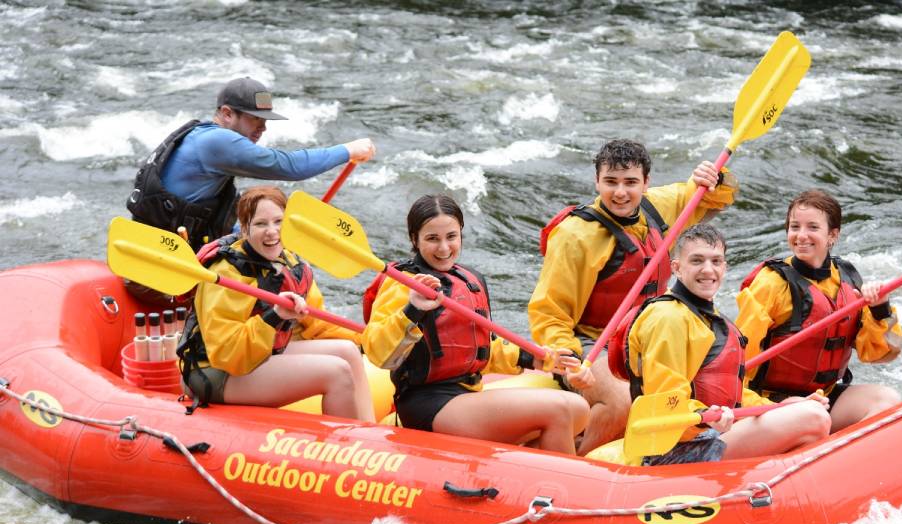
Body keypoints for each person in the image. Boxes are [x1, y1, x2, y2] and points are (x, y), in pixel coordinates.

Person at [529, 139, 737, 455]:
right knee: (622, 400)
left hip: (644, 338)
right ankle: (585, 467)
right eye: (610, 182)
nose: (621, 193)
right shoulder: (574, 236)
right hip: (590, 345)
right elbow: (550, 313)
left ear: (646, 182)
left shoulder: (656, 207)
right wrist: (568, 358)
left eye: (630, 183)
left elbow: (705, 197)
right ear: (597, 181)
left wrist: (714, 179)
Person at [361, 195, 590, 455]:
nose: (444, 248)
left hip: (468, 395)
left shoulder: (470, 280)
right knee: (559, 412)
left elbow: (479, 348)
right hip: (429, 403)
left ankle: (526, 481)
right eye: (432, 239)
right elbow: (378, 354)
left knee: (578, 410)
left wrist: (538, 359)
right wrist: (412, 309)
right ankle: (560, 489)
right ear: (415, 239)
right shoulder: (404, 283)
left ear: (461, 235)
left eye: (451, 236)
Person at [612, 224, 831, 465]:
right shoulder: (668, 318)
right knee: (813, 418)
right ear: (676, 268)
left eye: (716, 261)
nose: (708, 270)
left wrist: (776, 407)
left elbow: (731, 394)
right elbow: (666, 401)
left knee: (800, 408)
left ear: (725, 267)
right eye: (697, 261)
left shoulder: (710, 317)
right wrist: (705, 417)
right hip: (673, 452)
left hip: (710, 434)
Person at [177, 186, 374, 421]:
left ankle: (370, 436)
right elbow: (227, 353)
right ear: (244, 228)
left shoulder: (288, 262)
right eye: (261, 224)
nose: (272, 232)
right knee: (336, 372)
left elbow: (317, 325)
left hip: (261, 354)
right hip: (216, 371)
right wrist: (274, 316)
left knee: (348, 351)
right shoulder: (228, 273)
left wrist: (369, 339)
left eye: (278, 221)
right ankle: (346, 450)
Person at [127, 76, 376, 253]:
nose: (263, 127)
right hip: (160, 258)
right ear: (226, 113)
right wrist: (347, 150)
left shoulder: (202, 134)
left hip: (168, 245)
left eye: (265, 120)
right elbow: (289, 166)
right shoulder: (217, 142)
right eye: (255, 118)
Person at [735, 189, 902, 433]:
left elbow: (879, 355)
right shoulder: (771, 283)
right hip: (772, 403)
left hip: (824, 397)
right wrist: (755, 406)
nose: (801, 236)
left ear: (833, 235)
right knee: (812, 416)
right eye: (795, 227)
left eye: (812, 227)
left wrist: (880, 308)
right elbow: (738, 364)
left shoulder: (847, 279)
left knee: (886, 399)